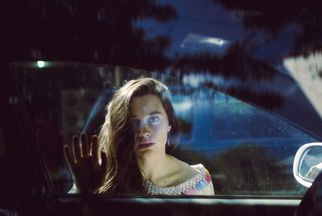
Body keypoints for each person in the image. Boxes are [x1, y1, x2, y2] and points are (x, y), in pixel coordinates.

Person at [63, 77, 214, 195]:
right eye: (134, 122)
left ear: (170, 123)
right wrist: (84, 192)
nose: (144, 131)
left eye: (154, 119)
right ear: (122, 128)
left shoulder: (197, 182)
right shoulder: (102, 175)